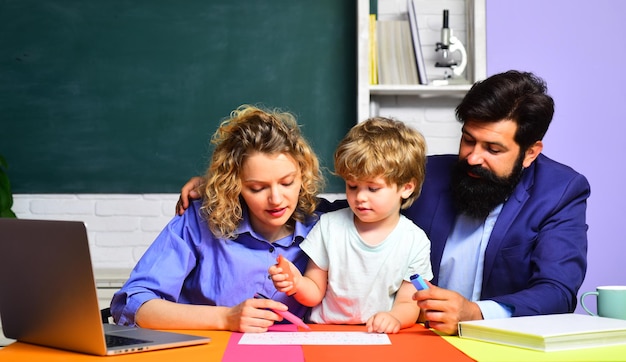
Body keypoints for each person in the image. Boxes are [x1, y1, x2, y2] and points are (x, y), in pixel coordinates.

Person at [177, 70, 590, 335]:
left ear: (531, 151)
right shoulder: (431, 172)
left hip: (492, 341)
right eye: (468, 139)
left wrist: (476, 312)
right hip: (410, 336)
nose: (472, 157)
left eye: (492, 148)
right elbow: (349, 208)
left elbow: (557, 291)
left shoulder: (561, 191)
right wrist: (228, 185)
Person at [110, 104, 324, 332]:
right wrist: (225, 318)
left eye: (287, 182)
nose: (276, 199)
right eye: (257, 188)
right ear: (234, 184)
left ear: (303, 173)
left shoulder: (325, 228)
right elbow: (132, 304)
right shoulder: (199, 220)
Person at [269, 117, 433, 334]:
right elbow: (315, 291)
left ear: (406, 188)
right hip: (324, 333)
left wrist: (394, 318)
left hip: (378, 336)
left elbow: (408, 302)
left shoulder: (415, 240)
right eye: (353, 186)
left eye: (373, 189)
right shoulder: (328, 226)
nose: (360, 198)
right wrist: (297, 283)